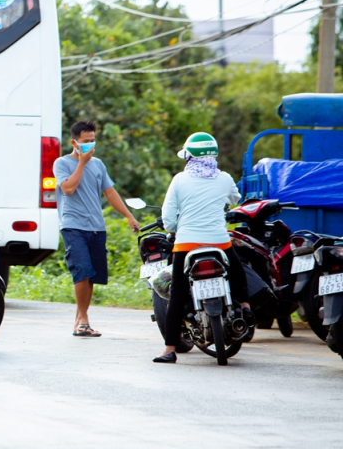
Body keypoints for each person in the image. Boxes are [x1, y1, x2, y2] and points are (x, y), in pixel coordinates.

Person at [153, 132, 252, 364]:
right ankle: (246, 306)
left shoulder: (179, 180)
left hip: (186, 243)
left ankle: (169, 349)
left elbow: (167, 218)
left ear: (190, 157)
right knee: (237, 271)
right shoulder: (224, 178)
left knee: (177, 293)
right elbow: (235, 199)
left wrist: (177, 226)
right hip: (219, 241)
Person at [54, 120, 140, 337]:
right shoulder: (62, 163)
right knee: (81, 269)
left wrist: (129, 216)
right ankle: (83, 320)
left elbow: (110, 193)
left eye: (92, 141)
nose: (90, 145)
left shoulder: (99, 165)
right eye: (85, 142)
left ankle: (80, 319)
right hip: (73, 225)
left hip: (96, 227)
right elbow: (69, 189)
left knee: (91, 275)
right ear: (74, 142)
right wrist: (82, 162)